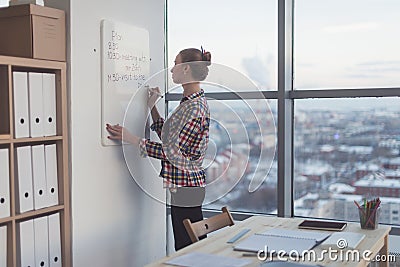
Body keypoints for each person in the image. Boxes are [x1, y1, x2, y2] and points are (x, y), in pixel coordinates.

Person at [106, 47, 211, 250]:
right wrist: (152, 107)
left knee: (187, 247)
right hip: (186, 186)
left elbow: (172, 153)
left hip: (187, 188)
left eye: (175, 64)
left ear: (186, 68)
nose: (172, 70)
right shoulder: (190, 102)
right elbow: (170, 139)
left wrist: (132, 138)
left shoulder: (194, 108)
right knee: (188, 245)